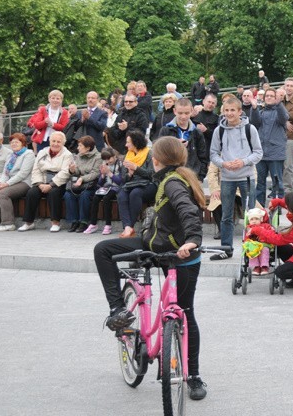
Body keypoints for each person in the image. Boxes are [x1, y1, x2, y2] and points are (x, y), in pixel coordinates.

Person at [93, 136, 208, 400]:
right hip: (160, 248)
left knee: (184, 314)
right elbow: (160, 192)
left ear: (156, 159)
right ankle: (119, 309)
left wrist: (192, 240)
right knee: (104, 249)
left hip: (180, 254)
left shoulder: (173, 183)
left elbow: (187, 210)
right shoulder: (171, 177)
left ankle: (193, 375)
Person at [210, 96, 263, 257]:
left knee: (251, 214)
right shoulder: (218, 130)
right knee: (226, 216)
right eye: (226, 110)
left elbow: (258, 153)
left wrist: (244, 162)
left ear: (240, 111)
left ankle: (252, 248)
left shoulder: (250, 129)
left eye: (233, 110)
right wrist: (223, 164)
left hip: (246, 176)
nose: (229, 113)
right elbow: (213, 154)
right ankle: (226, 249)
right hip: (227, 178)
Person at [19, 131, 73, 232]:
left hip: (58, 182)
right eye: (53, 141)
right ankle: (28, 222)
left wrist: (51, 184)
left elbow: (65, 172)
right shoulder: (42, 152)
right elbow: (36, 170)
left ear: (63, 143)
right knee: (32, 192)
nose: (55, 144)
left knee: (53, 192)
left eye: (58, 142)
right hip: (42, 181)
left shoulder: (67, 155)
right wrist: (40, 184)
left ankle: (55, 223)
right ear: (49, 141)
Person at [250, 88, 289, 207]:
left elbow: (284, 118)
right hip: (261, 154)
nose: (269, 98)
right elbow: (254, 122)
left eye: (272, 96)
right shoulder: (261, 112)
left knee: (277, 183)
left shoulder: (279, 111)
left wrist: (279, 104)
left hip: (276, 154)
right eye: (267, 96)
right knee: (260, 183)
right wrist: (254, 108)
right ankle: (260, 208)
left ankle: (277, 207)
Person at [0, 133, 35, 231]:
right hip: (10, 182)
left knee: (3, 193)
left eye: (17, 142)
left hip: (24, 182)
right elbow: (5, 172)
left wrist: (6, 184)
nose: (14, 144)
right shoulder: (11, 155)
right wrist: (0, 184)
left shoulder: (28, 154)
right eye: (12, 142)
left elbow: (23, 173)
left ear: (22, 143)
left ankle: (8, 223)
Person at [116, 131, 156, 239]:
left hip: (148, 184)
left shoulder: (149, 153)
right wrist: (129, 174)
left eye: (128, 142)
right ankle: (127, 227)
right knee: (121, 195)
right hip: (131, 184)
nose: (126, 145)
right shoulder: (127, 155)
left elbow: (152, 174)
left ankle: (131, 225)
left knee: (135, 193)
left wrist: (136, 169)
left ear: (136, 143)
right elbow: (123, 179)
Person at [158, 98, 208, 181]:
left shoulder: (197, 133)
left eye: (187, 113)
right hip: (171, 177)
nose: (183, 116)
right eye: (180, 113)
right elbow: (159, 154)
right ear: (174, 111)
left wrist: (200, 178)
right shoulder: (165, 130)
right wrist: (174, 145)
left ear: (191, 111)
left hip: (193, 176)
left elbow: (203, 157)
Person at [63, 136, 102, 232]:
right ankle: (74, 221)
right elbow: (77, 172)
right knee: (68, 195)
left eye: (80, 146)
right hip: (78, 183)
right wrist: (72, 170)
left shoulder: (98, 157)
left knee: (85, 195)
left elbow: (95, 173)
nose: (78, 148)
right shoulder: (78, 156)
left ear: (88, 148)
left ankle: (83, 222)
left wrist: (82, 178)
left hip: (91, 184)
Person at [83, 147, 123, 235]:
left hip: (116, 188)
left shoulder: (120, 164)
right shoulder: (105, 164)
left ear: (114, 156)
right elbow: (100, 183)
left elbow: (120, 181)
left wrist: (109, 173)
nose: (107, 161)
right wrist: (103, 175)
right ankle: (93, 224)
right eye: (105, 159)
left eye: (109, 158)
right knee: (95, 198)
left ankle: (108, 225)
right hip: (106, 187)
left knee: (106, 198)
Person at [242, 207, 273, 276]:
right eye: (252, 219)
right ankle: (256, 267)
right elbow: (246, 238)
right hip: (253, 245)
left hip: (264, 244)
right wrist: (247, 242)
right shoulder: (248, 228)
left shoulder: (266, 226)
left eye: (256, 219)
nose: (254, 221)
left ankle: (264, 266)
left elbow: (270, 234)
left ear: (261, 219)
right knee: (252, 250)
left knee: (264, 249)